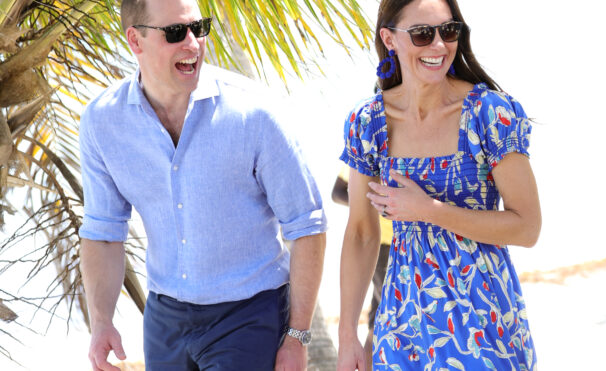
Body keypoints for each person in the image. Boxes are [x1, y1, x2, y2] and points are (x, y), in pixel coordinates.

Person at [78, 0, 327, 370]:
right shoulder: (103, 123)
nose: (193, 43)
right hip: (164, 320)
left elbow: (307, 225)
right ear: (135, 40)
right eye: (176, 33)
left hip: (250, 315)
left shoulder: (253, 113)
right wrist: (101, 322)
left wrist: (298, 335)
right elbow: (103, 232)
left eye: (200, 27)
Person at [336, 0, 541, 370]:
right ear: (390, 39)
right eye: (422, 34)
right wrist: (348, 333)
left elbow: (527, 227)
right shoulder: (368, 123)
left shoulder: (489, 113)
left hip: (485, 323)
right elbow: (361, 234)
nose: (439, 46)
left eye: (449, 31)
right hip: (402, 327)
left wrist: (429, 211)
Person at [332, 165, 391, 371]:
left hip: (410, 245)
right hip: (382, 245)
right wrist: (376, 205)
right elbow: (337, 192)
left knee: (379, 318)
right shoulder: (368, 147)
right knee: (381, 321)